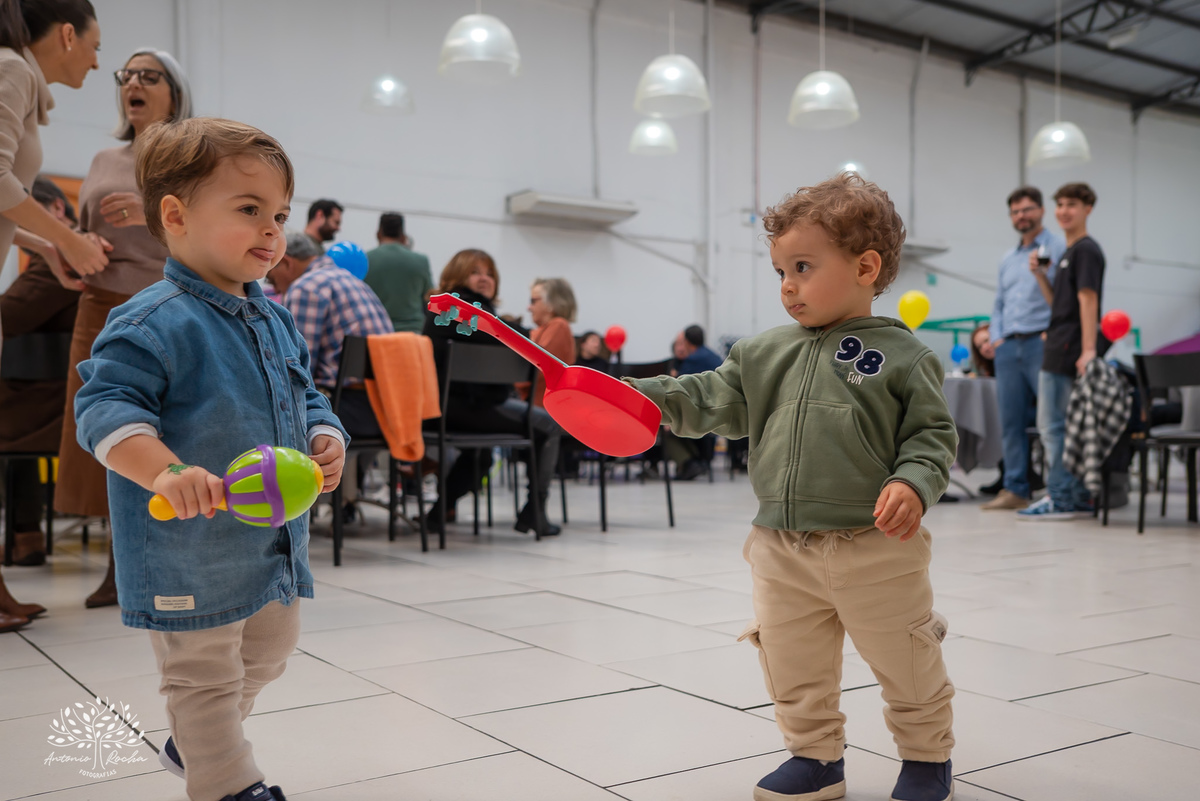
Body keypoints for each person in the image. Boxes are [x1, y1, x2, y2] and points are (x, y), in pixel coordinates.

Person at [627, 173, 957, 801]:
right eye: (780, 270)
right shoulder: (760, 353)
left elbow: (931, 436)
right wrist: (635, 397)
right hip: (781, 546)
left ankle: (925, 757)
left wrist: (913, 483)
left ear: (865, 267)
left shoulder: (905, 356)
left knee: (906, 660)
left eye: (803, 267)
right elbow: (704, 397)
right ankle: (814, 757)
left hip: (877, 547)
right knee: (791, 661)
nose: (786, 285)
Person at [73, 117, 347, 801]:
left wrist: (327, 435)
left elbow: (308, 395)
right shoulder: (151, 320)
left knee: (271, 652)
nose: (271, 230)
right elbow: (104, 409)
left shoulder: (276, 318)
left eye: (279, 214)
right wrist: (164, 470)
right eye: (249, 208)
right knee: (204, 675)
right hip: (187, 546)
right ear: (176, 216)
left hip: (271, 543)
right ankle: (227, 782)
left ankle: (194, 740)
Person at [52, 46, 194, 608]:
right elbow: (82, 230)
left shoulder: (189, 159)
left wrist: (149, 215)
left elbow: (207, 235)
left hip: (168, 305)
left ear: (174, 94)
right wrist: (77, 247)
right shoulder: (102, 159)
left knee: (169, 432)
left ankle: (167, 557)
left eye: (149, 76)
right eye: (127, 75)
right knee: (105, 426)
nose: (133, 83)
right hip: (101, 305)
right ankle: (120, 563)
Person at [0, 0, 107, 632]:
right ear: (67, 33)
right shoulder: (12, 67)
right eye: (96, 46)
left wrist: (46, 248)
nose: (96, 62)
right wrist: (68, 240)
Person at [422, 249, 563, 537]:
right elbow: (514, 335)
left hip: (447, 409)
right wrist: (516, 329)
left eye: (489, 274)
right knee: (549, 425)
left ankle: (438, 513)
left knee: (482, 457)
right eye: (475, 272)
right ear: (458, 275)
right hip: (465, 407)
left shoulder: (452, 312)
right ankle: (535, 511)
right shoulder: (455, 310)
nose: (484, 278)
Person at [281, 229, 392, 516]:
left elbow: (295, 370)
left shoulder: (306, 287)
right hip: (389, 411)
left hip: (350, 409)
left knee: (278, 406)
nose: (274, 284)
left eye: (272, 275)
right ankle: (343, 504)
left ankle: (285, 514)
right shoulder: (356, 283)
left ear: (287, 262)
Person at [0, 177, 80, 567]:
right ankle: (24, 534)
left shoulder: (64, 253)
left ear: (56, 209)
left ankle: (24, 533)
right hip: (54, 388)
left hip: (56, 396)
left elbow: (9, 314)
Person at [1020, 182, 1105, 521]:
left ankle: (1061, 497)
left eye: (1072, 204)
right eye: (1060, 204)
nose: (1064, 211)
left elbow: (1088, 300)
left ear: (1088, 209)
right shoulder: (1069, 253)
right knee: (1065, 426)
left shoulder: (1086, 250)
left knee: (1053, 426)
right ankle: (1076, 496)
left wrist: (1089, 349)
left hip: (1068, 348)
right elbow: (1060, 304)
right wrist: (1041, 276)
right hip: (1060, 342)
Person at [981, 186, 1065, 512]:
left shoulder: (1058, 247)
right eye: (1016, 212)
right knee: (1010, 422)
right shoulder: (1007, 259)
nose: (1021, 216)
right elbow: (999, 303)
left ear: (1041, 211)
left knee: (1051, 421)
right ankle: (1015, 488)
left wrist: (1051, 332)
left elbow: (1064, 297)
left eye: (1027, 209)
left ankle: (1059, 489)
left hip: (1041, 343)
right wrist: (997, 337)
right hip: (1008, 347)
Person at [663, 324, 723, 480]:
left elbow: (679, 390)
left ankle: (689, 463)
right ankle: (696, 462)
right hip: (719, 408)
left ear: (687, 342)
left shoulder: (692, 360)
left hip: (704, 411)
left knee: (667, 427)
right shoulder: (713, 356)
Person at [364, 211, 433, 333]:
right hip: (411, 333)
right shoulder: (421, 261)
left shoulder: (365, 260)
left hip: (375, 331)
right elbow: (429, 297)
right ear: (403, 236)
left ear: (378, 234)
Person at [520, 277, 577, 407]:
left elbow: (533, 371)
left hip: (541, 408)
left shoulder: (559, 326)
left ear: (551, 304)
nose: (529, 307)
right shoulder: (547, 329)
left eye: (533, 301)